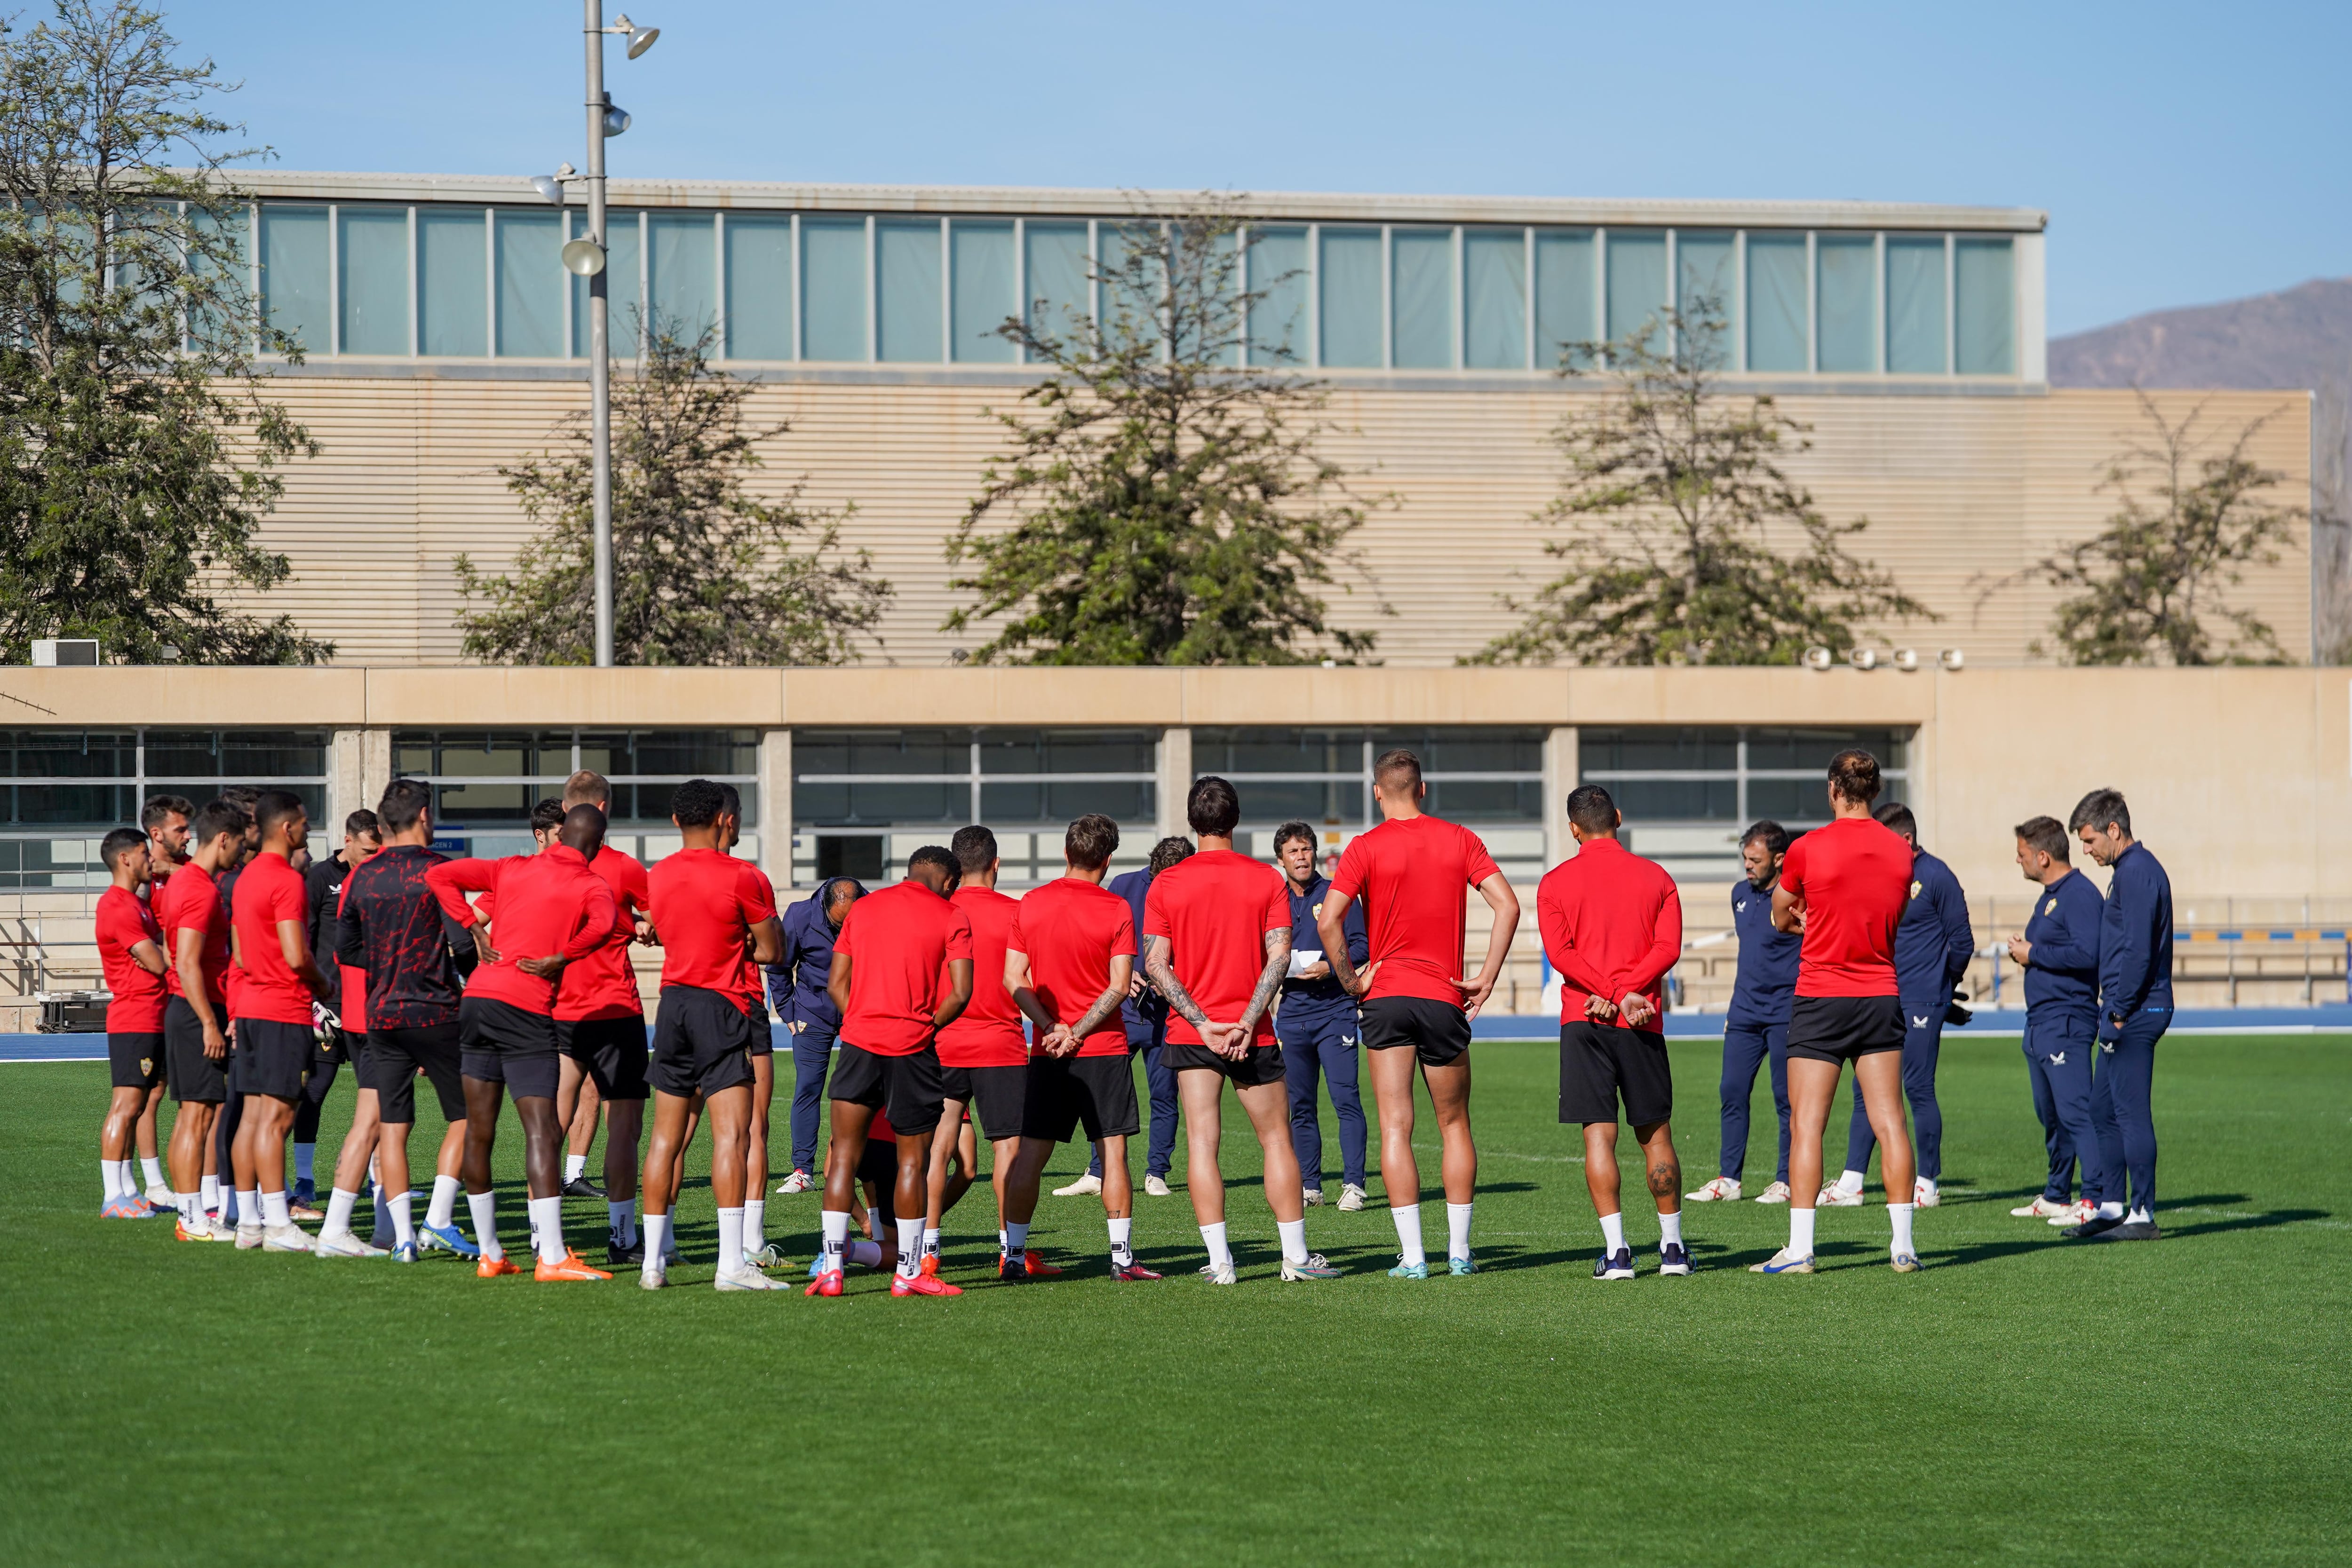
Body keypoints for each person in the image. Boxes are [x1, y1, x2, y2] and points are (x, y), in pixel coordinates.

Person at [1318, 749, 1518, 1279]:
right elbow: (1509, 905)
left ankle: (1412, 1258)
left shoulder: (1363, 847)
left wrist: (1350, 982)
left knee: (1394, 1127)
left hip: (1383, 996)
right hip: (1443, 994)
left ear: (1377, 792)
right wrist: (1487, 975)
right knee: (1454, 1124)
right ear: (1423, 789)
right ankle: (1459, 1253)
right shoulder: (1460, 838)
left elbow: (1328, 921)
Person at [1147, 776, 1339, 1284]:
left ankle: (1220, 1263)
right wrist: (1246, 1020)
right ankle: (1295, 1258)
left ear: (1193, 822)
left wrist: (1202, 1023)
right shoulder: (1264, 879)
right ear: (1234, 820)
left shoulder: (1166, 882)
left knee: (1201, 1144)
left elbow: (1156, 965)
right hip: (1249, 1033)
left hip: (1193, 1035)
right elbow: (1279, 958)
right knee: (1277, 1140)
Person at [428, 803, 619, 1282]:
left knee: (478, 1129)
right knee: (543, 1130)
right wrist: (563, 956)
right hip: (526, 1008)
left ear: (558, 836)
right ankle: (551, 1256)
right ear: (596, 845)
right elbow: (605, 923)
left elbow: (441, 876)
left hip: (476, 1000)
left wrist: (471, 926)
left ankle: (491, 1252)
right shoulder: (591, 882)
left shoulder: (511, 866)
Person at [1752, 749, 1922, 1276]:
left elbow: (1779, 913)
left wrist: (1807, 920)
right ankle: (1903, 1247)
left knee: (1807, 1125)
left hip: (1820, 996)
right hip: (1879, 995)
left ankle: (1801, 1249)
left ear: (1832, 789)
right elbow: (1890, 913)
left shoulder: (1806, 848)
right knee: (1891, 1119)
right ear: (1873, 790)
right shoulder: (1900, 852)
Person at [807, 846, 973, 1299]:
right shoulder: (952, 915)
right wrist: (926, 1027)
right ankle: (908, 1273)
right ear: (948, 881)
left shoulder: (862, 909)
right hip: (913, 1049)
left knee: (843, 1155)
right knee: (912, 1163)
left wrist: (859, 1021)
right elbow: (961, 993)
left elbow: (836, 983)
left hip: (859, 1043)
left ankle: (833, 1270)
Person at [1001, 813, 1162, 1281]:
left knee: (1031, 1153)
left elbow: (1013, 978)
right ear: (1107, 859)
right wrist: (1077, 1031)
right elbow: (1117, 988)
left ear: (1067, 852)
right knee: (1113, 1153)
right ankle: (1121, 1260)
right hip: (1104, 1048)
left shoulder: (1030, 903)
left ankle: (1013, 1256)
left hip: (1046, 1049)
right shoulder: (1115, 909)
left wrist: (1053, 1026)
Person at [638, 780, 785, 1291]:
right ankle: (731, 1265)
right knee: (733, 1136)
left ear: (677, 821)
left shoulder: (657, 875)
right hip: (721, 1005)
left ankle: (652, 1264)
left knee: (664, 1138)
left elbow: (655, 926)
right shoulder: (743, 875)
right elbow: (772, 951)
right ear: (725, 819)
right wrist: (744, 940)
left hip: (672, 1004)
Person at [1538, 785, 1690, 1280]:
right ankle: (1673, 1250)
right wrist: (1628, 991)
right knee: (1656, 1135)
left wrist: (1608, 989)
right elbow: (1668, 947)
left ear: (1573, 828)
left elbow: (1560, 954)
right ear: (1618, 818)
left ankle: (1618, 1253)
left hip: (1585, 1016)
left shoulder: (1554, 882)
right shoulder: (1656, 877)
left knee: (1598, 1139)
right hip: (1641, 1017)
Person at [334, 778, 480, 1261]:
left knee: (393, 1127)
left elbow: (346, 946)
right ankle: (438, 1218)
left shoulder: (362, 875)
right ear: (423, 816)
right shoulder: (440, 871)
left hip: (381, 1012)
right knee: (467, 1115)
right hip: (436, 1009)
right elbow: (463, 945)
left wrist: (385, 962)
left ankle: (401, 1241)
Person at [1825, 802, 1975, 1208]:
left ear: (1905, 839)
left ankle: (1926, 1183)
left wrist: (1941, 989)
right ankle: (1853, 1182)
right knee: (1865, 1089)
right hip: (1879, 995)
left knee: (1918, 1088)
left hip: (1922, 997)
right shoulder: (1881, 871)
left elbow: (1963, 942)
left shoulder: (1937, 876)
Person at [226, 790, 337, 1253]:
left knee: (252, 1117)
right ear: (287, 828)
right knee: (276, 1117)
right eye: (305, 823)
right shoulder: (287, 879)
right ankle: (277, 1223)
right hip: (281, 1007)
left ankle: (250, 1222)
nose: (309, 829)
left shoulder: (245, 877)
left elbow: (236, 949)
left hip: (252, 1005)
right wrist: (323, 984)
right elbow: (296, 953)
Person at [550, 771, 655, 1261]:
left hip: (556, 1007)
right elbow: (661, 916)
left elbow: (490, 921)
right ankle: (621, 1237)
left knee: (547, 1120)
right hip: (614, 1006)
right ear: (602, 808)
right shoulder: (622, 866)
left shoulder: (536, 866)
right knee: (624, 1125)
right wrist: (641, 926)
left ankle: (542, 1236)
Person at [928, 825, 1039, 1277]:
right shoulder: (1017, 913)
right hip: (1000, 1044)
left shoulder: (937, 911)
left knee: (937, 1146)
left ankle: (927, 1247)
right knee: (1008, 1150)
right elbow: (1030, 982)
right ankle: (1011, 1252)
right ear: (996, 864)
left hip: (941, 1042)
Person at [2066, 787, 2170, 1243]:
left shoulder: (2137, 873)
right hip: (2123, 1006)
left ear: (2114, 829)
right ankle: (2111, 1205)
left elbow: (2137, 951)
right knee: (2099, 1108)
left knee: (2129, 1112)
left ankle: (2142, 1213)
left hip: (2137, 1009)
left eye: (2089, 841)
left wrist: (2120, 1010)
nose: (2085, 851)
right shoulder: (2126, 871)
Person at [2003, 816, 2113, 1225]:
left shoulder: (2081, 895)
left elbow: (2090, 955)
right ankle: (2056, 1193)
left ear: (2043, 856)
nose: (2019, 862)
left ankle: (2097, 1199)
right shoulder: (2052, 895)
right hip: (2041, 1022)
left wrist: (2035, 955)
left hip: (2067, 1019)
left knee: (2076, 1112)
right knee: (2051, 1115)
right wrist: (2026, 953)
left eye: (2022, 855)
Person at [1688, 820, 1797, 1205]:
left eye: (1755, 860)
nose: (1747, 866)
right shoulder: (1739, 894)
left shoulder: (1797, 898)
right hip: (1744, 1013)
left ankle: (1786, 1180)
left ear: (1780, 859)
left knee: (1787, 1099)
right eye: (1745, 859)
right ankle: (1729, 1179)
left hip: (1786, 1012)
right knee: (1732, 1091)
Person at [1081, 835, 1191, 1199]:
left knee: (1164, 1095)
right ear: (1152, 869)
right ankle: (1098, 1172)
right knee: (1106, 1093)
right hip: (1123, 1013)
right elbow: (1098, 941)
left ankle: (1157, 1172)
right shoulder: (1125, 885)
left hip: (1167, 1015)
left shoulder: (1190, 888)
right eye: (1160, 880)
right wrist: (1122, 977)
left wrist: (1172, 977)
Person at [158, 799, 246, 1241]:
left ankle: (191, 1213)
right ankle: (192, 1218)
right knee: (197, 1117)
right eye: (240, 846)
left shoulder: (185, 882)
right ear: (225, 840)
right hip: (196, 1011)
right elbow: (186, 962)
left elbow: (175, 954)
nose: (241, 856)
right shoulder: (199, 887)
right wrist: (209, 1022)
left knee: (195, 1114)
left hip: (190, 1008)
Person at [1272, 821, 1369, 1211]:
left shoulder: (1337, 894)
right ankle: (1311, 1185)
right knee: (1302, 1106)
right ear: (1280, 859)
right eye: (1293, 851)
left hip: (1336, 1011)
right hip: (1292, 1013)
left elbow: (1362, 946)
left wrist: (1330, 966)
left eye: (1306, 849)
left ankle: (1354, 1185)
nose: (1302, 857)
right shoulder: (1273, 898)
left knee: (1346, 1099)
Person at [293, 809, 380, 1207]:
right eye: (366, 849)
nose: (372, 855)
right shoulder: (320, 878)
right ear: (348, 841)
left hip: (368, 1006)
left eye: (377, 849)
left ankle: (377, 1180)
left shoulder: (378, 878)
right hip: (327, 1006)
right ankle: (305, 1180)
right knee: (316, 1091)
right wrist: (310, 999)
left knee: (377, 1095)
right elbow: (304, 941)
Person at [770, 877, 862, 1195]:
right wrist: (787, 1010)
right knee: (808, 1087)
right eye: (839, 923)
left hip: (859, 1010)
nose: (844, 930)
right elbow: (780, 965)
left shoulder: (872, 910)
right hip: (813, 1011)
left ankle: (859, 1165)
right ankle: (802, 1171)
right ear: (826, 906)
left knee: (862, 1090)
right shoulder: (799, 915)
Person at [95, 827, 169, 1218]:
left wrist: (159, 951)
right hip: (135, 1016)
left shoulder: (136, 905)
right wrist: (161, 953)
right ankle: (112, 1197)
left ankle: (127, 1189)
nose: (150, 859)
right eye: (144, 853)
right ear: (125, 858)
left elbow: (159, 952)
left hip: (153, 1014)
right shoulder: (118, 907)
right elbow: (159, 961)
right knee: (125, 1105)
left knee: (139, 1105)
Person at [127, 792, 193, 1208]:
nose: (188, 836)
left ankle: (205, 1186)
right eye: (180, 829)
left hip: (190, 994)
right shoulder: (139, 875)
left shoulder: (191, 870)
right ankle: (153, 1184)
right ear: (156, 833)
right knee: (149, 1093)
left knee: (197, 1098)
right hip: (157, 999)